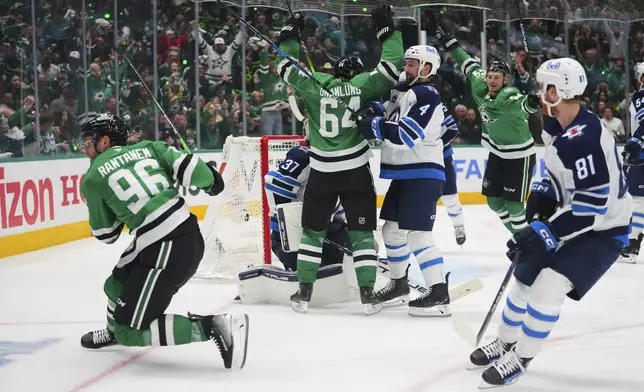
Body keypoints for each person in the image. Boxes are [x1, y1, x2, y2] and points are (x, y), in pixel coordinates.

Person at [468, 58, 631, 388]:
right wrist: (547, 191)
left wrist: (545, 231)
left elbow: (592, 208)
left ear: (560, 90)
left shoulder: (585, 138)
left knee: (548, 286)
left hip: (604, 230)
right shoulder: (555, 126)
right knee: (524, 276)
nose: (540, 92)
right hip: (575, 217)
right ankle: (505, 341)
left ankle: (522, 357)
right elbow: (561, 177)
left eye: (546, 87)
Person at [78, 113, 249, 370]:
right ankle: (113, 330)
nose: (85, 147)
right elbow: (193, 168)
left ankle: (212, 327)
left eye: (88, 140)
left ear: (104, 141)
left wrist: (117, 209)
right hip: (180, 236)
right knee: (115, 285)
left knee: (129, 331)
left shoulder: (91, 177)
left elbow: (107, 235)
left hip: (165, 247)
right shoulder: (150, 148)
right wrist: (213, 181)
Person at [275, 6, 404, 314]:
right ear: (356, 72)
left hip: (322, 172)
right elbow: (392, 65)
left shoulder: (314, 83)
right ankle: (368, 294)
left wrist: (291, 33)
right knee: (361, 234)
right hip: (356, 172)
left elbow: (284, 64)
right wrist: (387, 29)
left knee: (312, 233)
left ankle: (304, 292)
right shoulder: (364, 85)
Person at [359, 45, 450, 316]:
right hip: (406, 173)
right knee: (391, 230)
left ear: (427, 68)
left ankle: (438, 293)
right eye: (406, 63)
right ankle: (399, 284)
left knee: (418, 235)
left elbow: (408, 135)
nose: (405, 68)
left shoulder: (426, 93)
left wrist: (375, 125)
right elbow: (387, 113)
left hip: (422, 173)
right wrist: (372, 111)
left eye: (411, 64)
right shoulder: (405, 92)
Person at [435, 23, 541, 234]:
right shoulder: (479, 83)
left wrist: (533, 101)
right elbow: (466, 62)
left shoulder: (509, 96)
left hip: (519, 155)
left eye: (496, 78)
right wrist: (451, 44)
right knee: (493, 202)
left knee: (514, 206)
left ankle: (527, 244)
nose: (491, 81)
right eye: (490, 77)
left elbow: (524, 104)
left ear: (506, 81)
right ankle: (523, 239)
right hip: (496, 152)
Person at [619, 62, 644, 263]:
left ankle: (632, 244)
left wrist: (636, 142)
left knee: (637, 199)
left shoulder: (641, 96)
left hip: (642, 155)